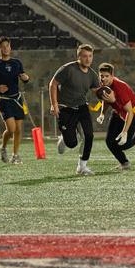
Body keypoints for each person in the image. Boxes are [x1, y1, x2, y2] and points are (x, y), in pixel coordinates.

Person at [49, 44, 100, 175]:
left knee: (89, 135)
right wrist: (54, 104)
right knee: (72, 143)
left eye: (90, 56)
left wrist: (108, 95)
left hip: (82, 106)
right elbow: (53, 84)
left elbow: (97, 91)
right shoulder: (68, 69)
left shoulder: (92, 74)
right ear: (78, 57)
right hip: (65, 108)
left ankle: (82, 167)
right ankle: (65, 138)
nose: (88, 59)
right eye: (84, 56)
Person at [0, 37, 30, 165]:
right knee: (11, 129)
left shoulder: (17, 63)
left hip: (17, 99)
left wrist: (26, 78)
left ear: (10, 47)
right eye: (3, 46)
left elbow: (24, 77)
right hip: (4, 100)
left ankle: (15, 155)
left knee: (19, 129)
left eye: (7, 46)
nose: (6, 48)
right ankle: (3, 147)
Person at [96, 62, 135, 170]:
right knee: (109, 141)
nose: (104, 79)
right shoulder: (103, 84)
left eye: (107, 76)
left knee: (124, 144)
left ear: (112, 75)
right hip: (118, 112)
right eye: (102, 76)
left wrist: (124, 132)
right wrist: (102, 113)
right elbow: (105, 101)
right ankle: (125, 163)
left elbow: (129, 111)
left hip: (133, 114)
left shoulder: (119, 87)